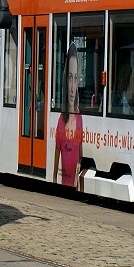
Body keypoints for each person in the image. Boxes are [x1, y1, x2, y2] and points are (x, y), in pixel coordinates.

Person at [53, 42, 83, 187]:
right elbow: (57, 152)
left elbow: (81, 154)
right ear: (65, 80)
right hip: (62, 181)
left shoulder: (80, 118)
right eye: (70, 77)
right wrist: (53, 178)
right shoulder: (61, 120)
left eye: (75, 78)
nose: (72, 87)